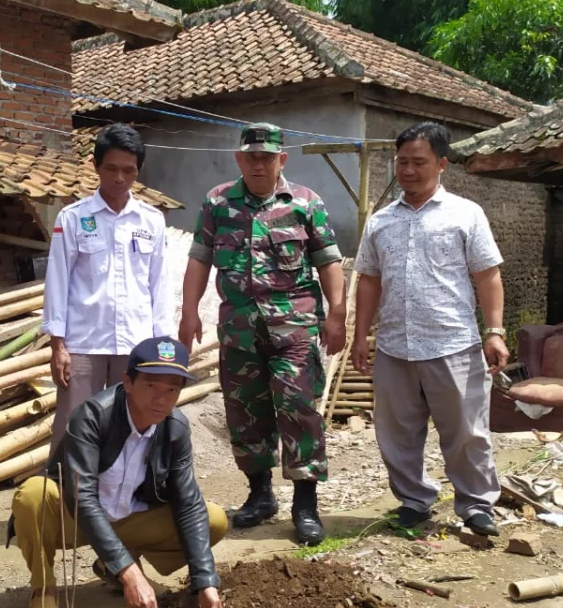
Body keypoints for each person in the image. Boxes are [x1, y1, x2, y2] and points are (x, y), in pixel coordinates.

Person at [179, 123, 345, 547]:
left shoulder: (306, 203)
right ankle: (260, 494)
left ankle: (305, 505)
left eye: (267, 157)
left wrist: (337, 316)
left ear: (281, 160)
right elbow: (199, 259)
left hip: (295, 328)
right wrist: (189, 312)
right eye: (251, 156)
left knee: (299, 409)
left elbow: (328, 262)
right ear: (239, 159)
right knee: (245, 413)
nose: (258, 163)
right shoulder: (218, 203)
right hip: (239, 330)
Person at [10, 337, 228, 608]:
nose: (161, 399)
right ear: (128, 381)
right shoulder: (93, 416)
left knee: (212, 518)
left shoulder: (175, 428)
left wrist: (205, 581)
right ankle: (44, 592)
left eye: (172, 389)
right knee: (33, 494)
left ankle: (110, 566)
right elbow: (81, 497)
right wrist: (130, 572)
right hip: (74, 521)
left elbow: (187, 501)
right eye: (151, 385)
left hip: (129, 521)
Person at [352, 121, 507, 537]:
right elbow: (368, 279)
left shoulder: (465, 214)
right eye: (402, 162)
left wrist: (495, 331)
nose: (408, 170)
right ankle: (414, 502)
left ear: (441, 164)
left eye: (418, 162)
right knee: (397, 434)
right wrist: (360, 336)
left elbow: (488, 275)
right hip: (394, 347)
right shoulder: (380, 222)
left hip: (452, 343)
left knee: (467, 433)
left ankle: (476, 506)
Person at [44, 123, 173, 452]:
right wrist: (58, 345)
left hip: (136, 343)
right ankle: (65, 498)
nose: (119, 178)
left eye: (129, 170)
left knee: (130, 425)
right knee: (74, 424)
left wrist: (162, 345)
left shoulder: (151, 220)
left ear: (138, 171)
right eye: (111, 169)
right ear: (96, 166)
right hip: (83, 342)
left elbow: (159, 284)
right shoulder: (72, 218)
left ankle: (121, 498)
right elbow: (57, 280)